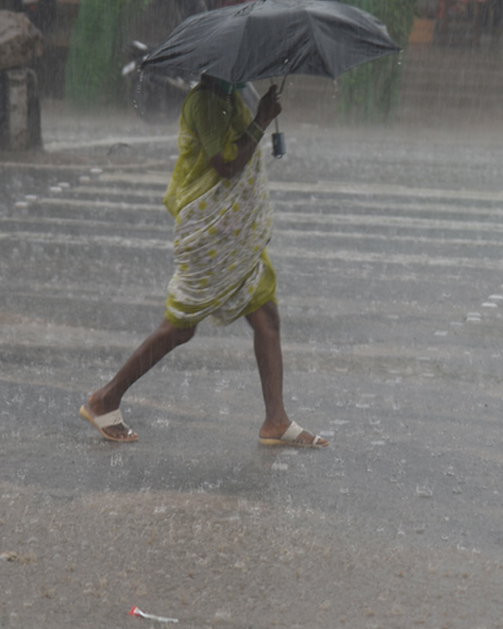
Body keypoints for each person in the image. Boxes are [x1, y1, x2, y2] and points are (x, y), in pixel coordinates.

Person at [79, 75, 329, 448]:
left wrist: (260, 113)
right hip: (210, 233)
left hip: (232, 235)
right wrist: (261, 120)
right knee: (180, 327)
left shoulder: (232, 94)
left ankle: (276, 419)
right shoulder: (208, 101)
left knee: (266, 316)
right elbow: (226, 164)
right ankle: (105, 398)